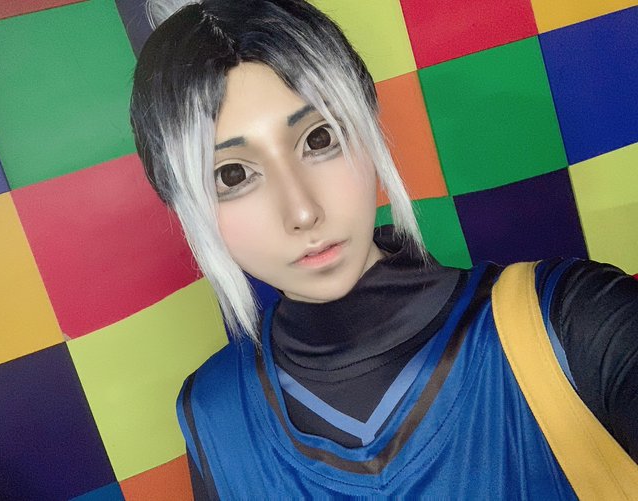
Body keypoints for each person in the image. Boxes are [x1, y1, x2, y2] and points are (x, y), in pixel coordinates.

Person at [130, 0, 638, 498]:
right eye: (232, 175)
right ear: (183, 205)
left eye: (319, 139)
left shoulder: (574, 322)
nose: (302, 211)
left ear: (367, 124)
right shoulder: (214, 415)